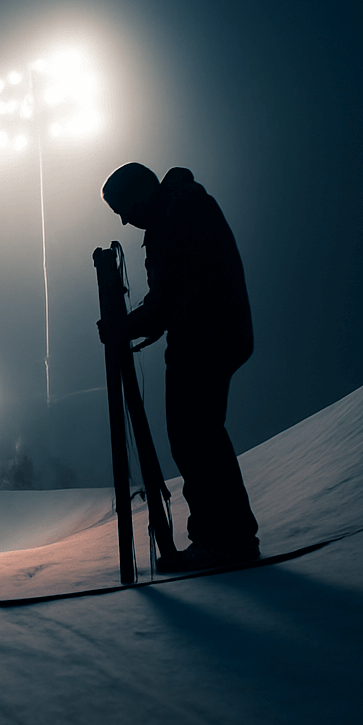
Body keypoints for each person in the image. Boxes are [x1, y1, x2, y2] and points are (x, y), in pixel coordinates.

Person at [99, 162, 259, 571]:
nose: (123, 218)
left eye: (123, 206)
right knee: (197, 435)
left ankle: (225, 539)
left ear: (141, 193)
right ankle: (227, 536)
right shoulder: (176, 212)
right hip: (210, 333)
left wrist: (126, 326)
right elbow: (170, 297)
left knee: (195, 436)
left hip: (208, 336)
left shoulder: (180, 215)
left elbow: (169, 298)